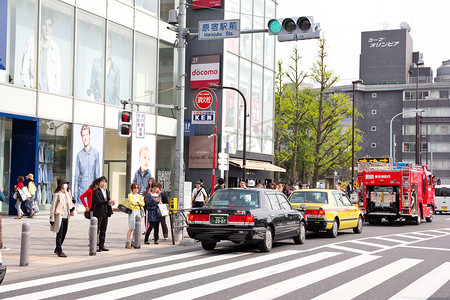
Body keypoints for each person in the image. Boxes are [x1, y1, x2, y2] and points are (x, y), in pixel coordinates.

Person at [20, 9, 61, 92]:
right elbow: (24, 70)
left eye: (49, 25)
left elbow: (58, 76)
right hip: (34, 93)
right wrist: (30, 90)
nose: (47, 29)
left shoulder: (55, 48)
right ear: (40, 26)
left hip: (49, 96)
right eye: (44, 25)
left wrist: (54, 95)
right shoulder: (31, 43)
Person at [86, 35, 120, 105]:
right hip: (97, 105)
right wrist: (92, 103)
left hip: (110, 107)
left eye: (109, 47)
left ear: (111, 48)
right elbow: (92, 87)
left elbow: (116, 95)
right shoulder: (96, 64)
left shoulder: (116, 70)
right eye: (105, 46)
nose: (107, 49)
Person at [74, 125, 100, 205]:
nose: (85, 137)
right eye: (83, 135)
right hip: (81, 196)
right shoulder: (79, 155)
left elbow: (97, 177)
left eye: (86, 135)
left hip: (92, 195)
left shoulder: (95, 153)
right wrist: (74, 200)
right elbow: (76, 178)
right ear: (81, 138)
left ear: (89, 136)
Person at [49, 177, 75, 258]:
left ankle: (57, 248)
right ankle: (60, 251)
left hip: (66, 216)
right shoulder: (57, 194)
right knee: (59, 234)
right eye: (64, 183)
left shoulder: (67, 194)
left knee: (64, 233)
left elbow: (69, 204)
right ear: (60, 185)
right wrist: (52, 218)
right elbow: (53, 207)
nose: (66, 185)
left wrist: (72, 207)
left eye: (66, 183)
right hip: (59, 216)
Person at [92, 176, 115, 252]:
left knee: (103, 230)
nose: (103, 183)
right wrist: (107, 202)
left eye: (105, 182)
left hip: (105, 212)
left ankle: (102, 245)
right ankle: (94, 246)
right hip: (98, 212)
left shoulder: (107, 191)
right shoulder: (96, 191)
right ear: (99, 183)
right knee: (96, 230)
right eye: (102, 182)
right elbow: (97, 202)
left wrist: (111, 203)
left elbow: (108, 200)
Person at [126, 183, 145, 249]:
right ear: (132, 188)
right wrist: (138, 202)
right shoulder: (130, 195)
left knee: (136, 228)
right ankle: (127, 242)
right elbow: (132, 202)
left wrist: (138, 202)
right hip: (132, 211)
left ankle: (133, 241)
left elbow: (143, 204)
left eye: (137, 188)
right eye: (135, 188)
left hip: (138, 212)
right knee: (131, 227)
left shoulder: (139, 196)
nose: (136, 189)